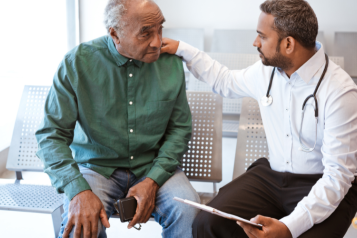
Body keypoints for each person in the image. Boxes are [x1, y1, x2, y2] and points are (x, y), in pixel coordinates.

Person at [161, 0, 357, 237]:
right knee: (207, 223)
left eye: (262, 37)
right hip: (271, 178)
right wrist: (182, 48)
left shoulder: (340, 91)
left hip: (322, 183)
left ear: (288, 44)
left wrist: (288, 227)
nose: (255, 43)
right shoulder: (266, 72)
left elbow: (338, 175)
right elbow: (225, 81)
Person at [35, 0, 200, 237]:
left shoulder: (171, 64)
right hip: (96, 167)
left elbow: (179, 129)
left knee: (190, 215)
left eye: (160, 29)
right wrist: (78, 190)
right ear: (115, 34)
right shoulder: (77, 63)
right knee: (80, 227)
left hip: (153, 166)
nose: (157, 41)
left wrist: (153, 179)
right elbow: (51, 135)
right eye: (145, 33)